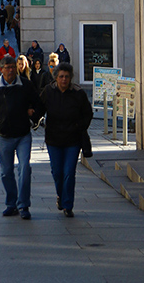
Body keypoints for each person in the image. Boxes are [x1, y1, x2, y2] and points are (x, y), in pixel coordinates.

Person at [0, 55, 44, 220]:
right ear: (1, 70)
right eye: (7, 68)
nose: (10, 70)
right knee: (6, 172)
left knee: (24, 169)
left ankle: (24, 205)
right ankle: (11, 203)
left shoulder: (25, 85)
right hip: (4, 136)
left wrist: (33, 117)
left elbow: (38, 103)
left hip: (23, 134)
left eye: (13, 67)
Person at [40, 62, 93, 217]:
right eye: (61, 76)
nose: (64, 80)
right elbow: (39, 108)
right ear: (56, 77)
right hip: (53, 139)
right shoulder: (48, 91)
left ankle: (68, 205)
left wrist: (80, 126)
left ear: (71, 78)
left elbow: (87, 113)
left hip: (73, 140)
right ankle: (61, 196)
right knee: (57, 172)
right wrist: (32, 115)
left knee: (69, 172)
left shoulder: (78, 93)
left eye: (67, 77)